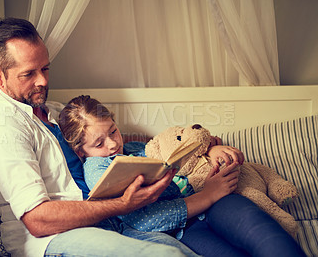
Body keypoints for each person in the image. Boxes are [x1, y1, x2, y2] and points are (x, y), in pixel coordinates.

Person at [0, 17, 199, 257]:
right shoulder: (3, 128)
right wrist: (123, 204)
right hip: (53, 240)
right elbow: (37, 220)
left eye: (45, 68)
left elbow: (111, 141)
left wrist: (198, 144)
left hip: (108, 223)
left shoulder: (55, 111)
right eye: (29, 74)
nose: (43, 81)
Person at [58, 95, 307, 257]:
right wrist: (209, 195)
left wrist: (210, 148)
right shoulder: (97, 171)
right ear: (81, 151)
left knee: (265, 234)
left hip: (214, 201)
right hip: (182, 228)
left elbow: (179, 148)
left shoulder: (134, 148)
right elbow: (142, 221)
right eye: (99, 143)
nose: (112, 144)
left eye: (113, 131)